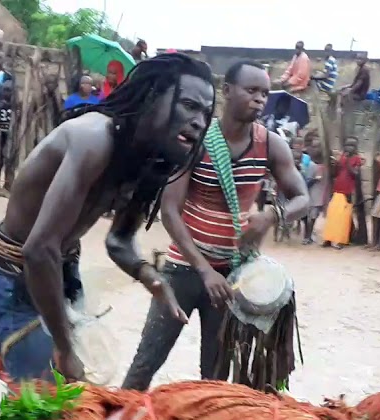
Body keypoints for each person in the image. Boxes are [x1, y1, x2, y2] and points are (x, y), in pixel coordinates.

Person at [0, 53, 215, 388]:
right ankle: (22, 349)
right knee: (48, 400)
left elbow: (118, 240)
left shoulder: (148, 161)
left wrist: (151, 278)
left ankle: (25, 353)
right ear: (152, 98)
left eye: (205, 113)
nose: (198, 121)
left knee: (74, 390)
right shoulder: (93, 139)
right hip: (14, 272)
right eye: (189, 105)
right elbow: (38, 248)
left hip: (60, 269)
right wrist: (64, 347)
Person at [122, 60, 308, 390]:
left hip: (233, 277)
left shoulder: (271, 145)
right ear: (226, 91)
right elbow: (170, 211)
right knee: (146, 362)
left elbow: (302, 199)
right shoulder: (195, 139)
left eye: (264, 93)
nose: (260, 100)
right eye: (251, 91)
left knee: (215, 376)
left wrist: (271, 216)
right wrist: (205, 270)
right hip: (182, 271)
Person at [323, 135, 363, 248]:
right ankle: (329, 239)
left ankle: (340, 240)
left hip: (347, 192)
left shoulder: (357, 159)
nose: (348, 148)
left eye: (351, 146)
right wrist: (335, 164)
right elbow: (335, 174)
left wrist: (347, 162)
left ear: (355, 148)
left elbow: (355, 174)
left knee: (343, 218)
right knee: (332, 215)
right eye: (347, 145)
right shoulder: (341, 157)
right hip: (337, 190)